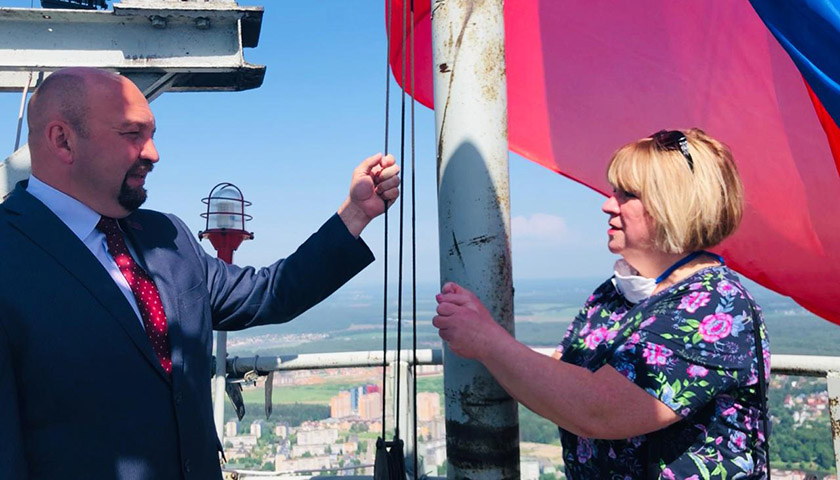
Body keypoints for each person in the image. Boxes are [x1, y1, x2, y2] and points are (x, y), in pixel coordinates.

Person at [0, 67, 400, 479]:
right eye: (132, 134)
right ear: (63, 140)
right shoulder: (8, 255)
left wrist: (355, 214)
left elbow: (269, 293)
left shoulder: (167, 235)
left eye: (152, 134)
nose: (153, 153)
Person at [434, 129, 769, 479]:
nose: (608, 204)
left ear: (675, 205)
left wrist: (487, 340)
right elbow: (556, 382)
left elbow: (598, 409)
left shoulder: (716, 306)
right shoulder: (614, 293)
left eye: (628, 194)